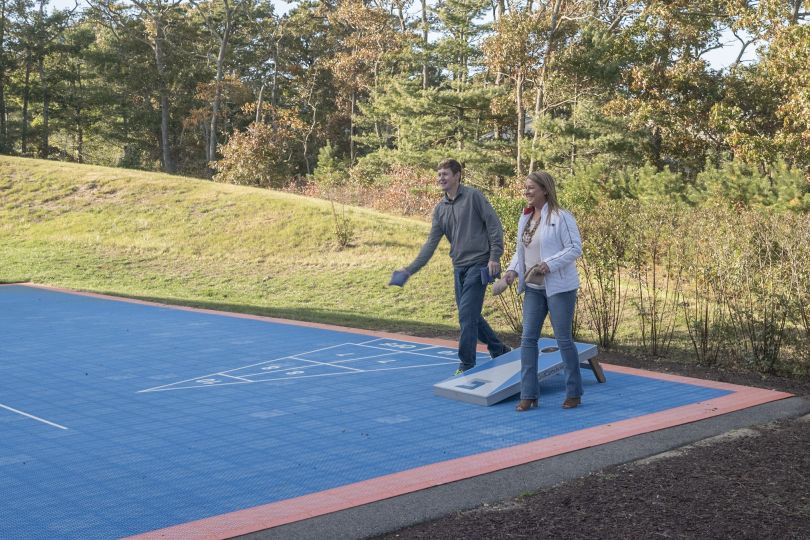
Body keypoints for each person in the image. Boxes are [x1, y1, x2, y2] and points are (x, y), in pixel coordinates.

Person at [394, 158, 511, 374]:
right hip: (459, 267)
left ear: (457, 176)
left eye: (445, 174)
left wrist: (495, 256)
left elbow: (494, 226)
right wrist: (410, 269)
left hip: (480, 264)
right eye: (438, 175)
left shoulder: (474, 197)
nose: (441, 178)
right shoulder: (440, 210)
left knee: (466, 315)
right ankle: (499, 349)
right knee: (470, 315)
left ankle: (466, 364)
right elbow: (431, 243)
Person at [494, 170, 583, 410]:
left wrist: (549, 264)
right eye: (525, 187)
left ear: (545, 189)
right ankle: (529, 394)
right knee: (528, 339)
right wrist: (512, 271)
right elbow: (520, 252)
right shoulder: (525, 218)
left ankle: (574, 391)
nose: (526, 191)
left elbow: (575, 248)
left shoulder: (562, 217)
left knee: (563, 339)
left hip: (559, 288)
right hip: (533, 287)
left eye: (531, 187)